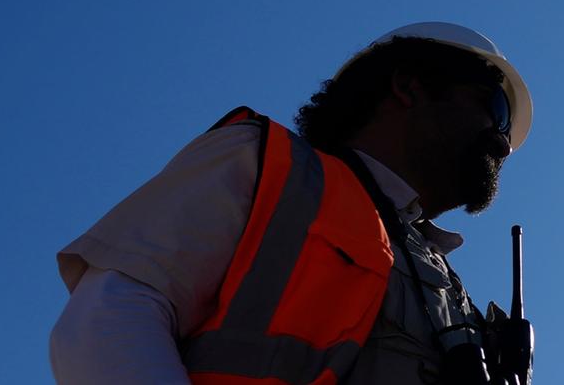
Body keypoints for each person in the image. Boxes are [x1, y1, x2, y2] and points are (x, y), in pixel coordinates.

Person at [50, 22, 534, 385]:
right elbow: (107, 318)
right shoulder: (267, 165)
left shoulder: (445, 286)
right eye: (494, 109)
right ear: (409, 87)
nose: (501, 139)